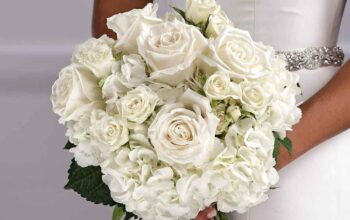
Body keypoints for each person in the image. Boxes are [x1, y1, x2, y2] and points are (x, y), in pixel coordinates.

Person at [92, 0, 350, 219]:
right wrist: (164, 162)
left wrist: (255, 161)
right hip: (187, 131)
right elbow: (116, 32)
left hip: (311, 137)